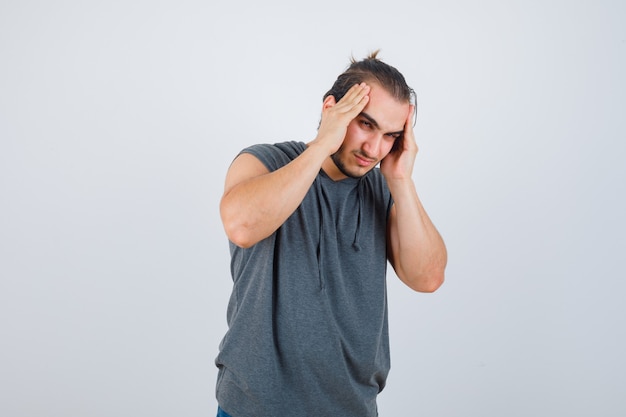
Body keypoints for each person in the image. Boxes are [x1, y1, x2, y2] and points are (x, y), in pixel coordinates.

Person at [215, 51, 447, 417]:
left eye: (390, 136)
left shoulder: (383, 189)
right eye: (365, 124)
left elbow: (428, 277)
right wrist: (324, 142)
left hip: (351, 409)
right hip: (254, 408)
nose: (374, 149)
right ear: (332, 108)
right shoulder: (265, 161)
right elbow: (242, 225)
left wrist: (401, 179)